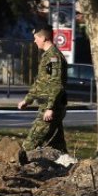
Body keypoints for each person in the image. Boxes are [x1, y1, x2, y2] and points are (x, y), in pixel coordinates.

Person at [18, 23, 68, 152]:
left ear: (44, 38)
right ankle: (68, 169)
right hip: (48, 106)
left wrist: (50, 108)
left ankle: (18, 168)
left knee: (30, 144)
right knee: (58, 148)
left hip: (51, 108)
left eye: (36, 38)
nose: (35, 41)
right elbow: (40, 82)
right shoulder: (46, 56)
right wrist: (27, 100)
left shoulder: (54, 57)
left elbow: (57, 84)